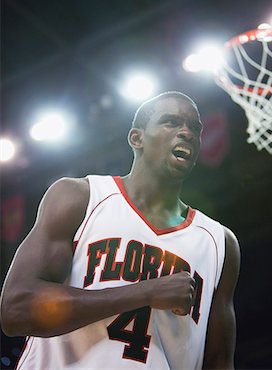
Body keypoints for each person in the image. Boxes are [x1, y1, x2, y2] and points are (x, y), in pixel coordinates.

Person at [0, 91, 240, 370]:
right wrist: (144, 293)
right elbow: (16, 309)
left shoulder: (219, 243)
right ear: (136, 138)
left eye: (195, 128)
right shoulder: (81, 198)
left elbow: (219, 361)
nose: (186, 132)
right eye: (171, 122)